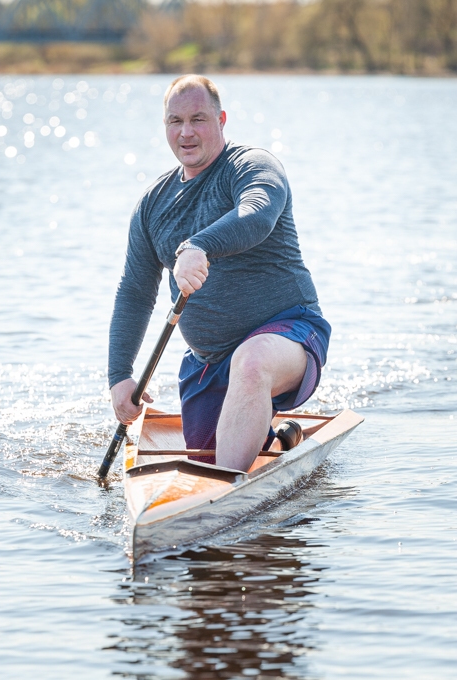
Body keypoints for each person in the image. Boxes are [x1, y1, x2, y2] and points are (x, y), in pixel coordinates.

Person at [108, 74, 330, 473]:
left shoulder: (252, 167)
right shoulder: (151, 207)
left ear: (222, 119)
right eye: (175, 121)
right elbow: (135, 292)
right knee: (205, 450)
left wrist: (199, 246)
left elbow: (258, 213)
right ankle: (275, 438)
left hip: (291, 333)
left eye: (198, 119)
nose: (186, 132)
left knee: (251, 362)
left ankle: (227, 492)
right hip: (208, 361)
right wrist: (120, 374)